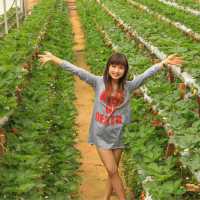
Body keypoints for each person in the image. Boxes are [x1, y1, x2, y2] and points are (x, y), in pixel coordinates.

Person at [38, 52, 183, 200]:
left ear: (125, 70)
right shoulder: (98, 82)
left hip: (120, 135)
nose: (116, 70)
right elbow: (77, 70)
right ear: (108, 67)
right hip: (101, 134)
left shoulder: (129, 86)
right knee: (113, 170)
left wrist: (163, 63)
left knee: (111, 172)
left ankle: (105, 197)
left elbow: (146, 74)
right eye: (113, 66)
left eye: (120, 68)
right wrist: (55, 59)